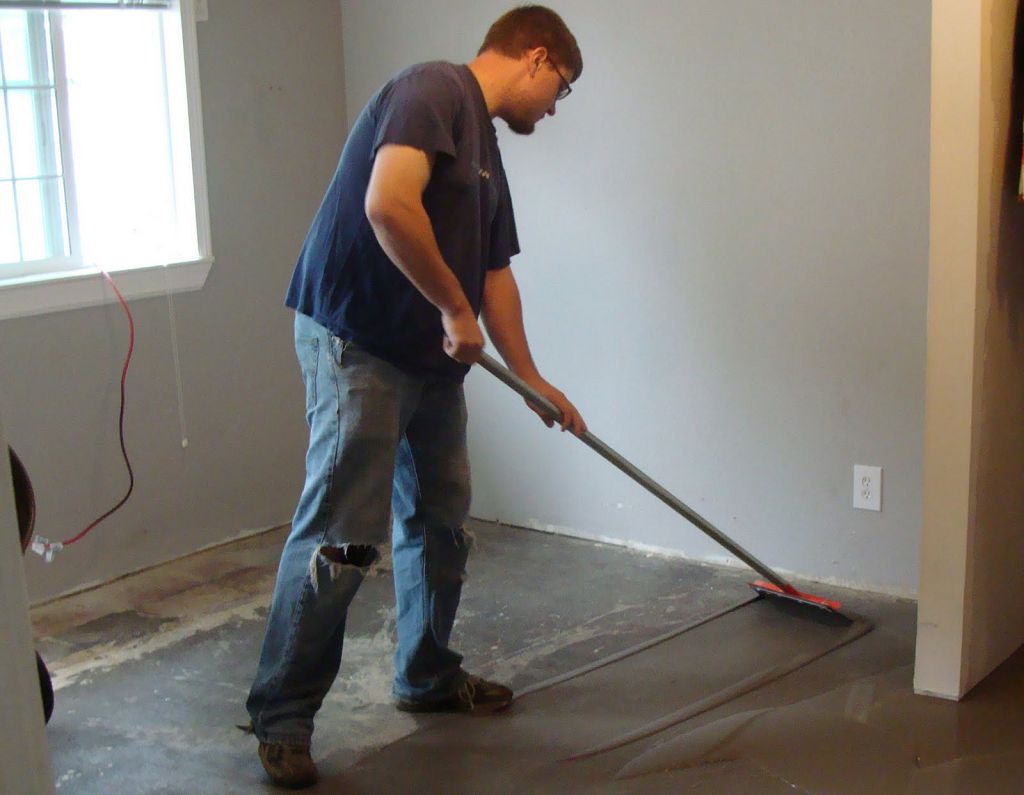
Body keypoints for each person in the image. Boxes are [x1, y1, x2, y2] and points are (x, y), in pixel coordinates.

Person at [245, 5, 586, 788]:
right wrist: (454, 311)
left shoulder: (487, 150)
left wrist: (530, 378)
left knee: (441, 519)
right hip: (357, 342)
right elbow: (387, 203)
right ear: (537, 57)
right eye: (560, 88)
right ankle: (282, 717)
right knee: (341, 535)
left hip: (428, 362)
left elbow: (495, 275)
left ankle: (426, 674)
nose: (553, 107)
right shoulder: (431, 89)